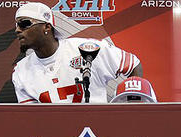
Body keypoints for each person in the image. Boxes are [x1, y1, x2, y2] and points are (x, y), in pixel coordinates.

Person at [12, 2, 155, 103]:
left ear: (47, 27)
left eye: (24, 23)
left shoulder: (86, 49)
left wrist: (133, 104)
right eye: (17, 25)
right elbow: (30, 117)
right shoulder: (20, 71)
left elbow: (133, 65)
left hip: (98, 132)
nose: (18, 30)